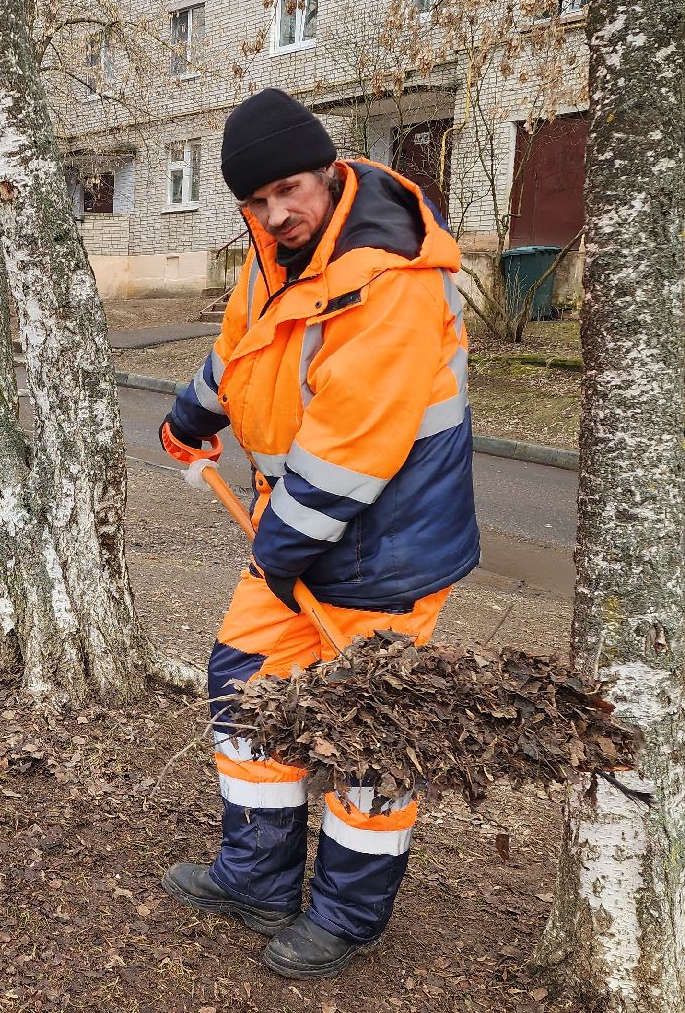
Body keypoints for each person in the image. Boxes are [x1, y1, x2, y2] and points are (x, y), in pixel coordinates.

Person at [157, 88, 480, 980]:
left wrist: (276, 548)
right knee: (244, 684)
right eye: (255, 203)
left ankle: (349, 915)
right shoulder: (276, 255)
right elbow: (246, 349)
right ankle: (257, 877)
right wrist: (192, 416)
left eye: (288, 191)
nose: (274, 215)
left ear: (331, 171)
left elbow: (351, 450)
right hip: (298, 539)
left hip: (389, 547)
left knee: (372, 729)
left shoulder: (394, 277)